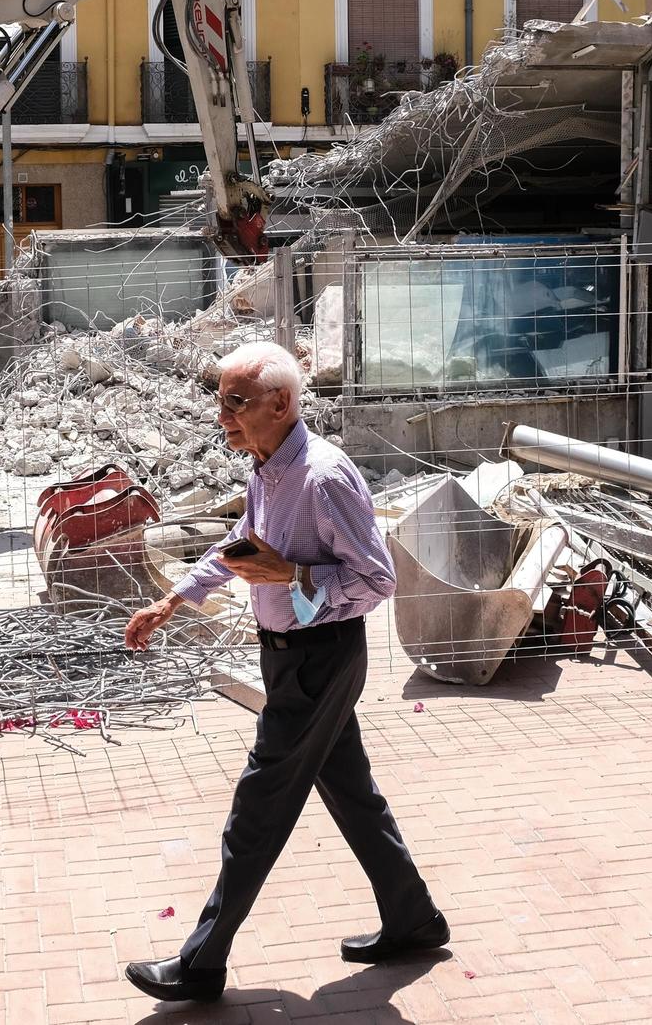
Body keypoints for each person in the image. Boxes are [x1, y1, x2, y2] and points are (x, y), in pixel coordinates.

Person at [121, 341, 449, 1004]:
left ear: (282, 403)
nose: (224, 420)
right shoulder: (266, 466)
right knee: (353, 795)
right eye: (221, 403)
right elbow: (243, 543)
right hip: (292, 660)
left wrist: (296, 575)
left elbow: (377, 580)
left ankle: (202, 962)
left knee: (258, 808)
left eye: (237, 405)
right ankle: (413, 919)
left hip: (320, 660)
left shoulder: (323, 477)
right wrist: (175, 598)